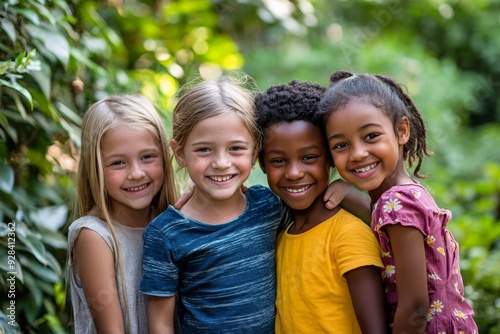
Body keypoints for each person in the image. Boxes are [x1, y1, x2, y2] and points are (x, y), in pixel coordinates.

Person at [140, 75, 369, 333]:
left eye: (235, 148)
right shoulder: (165, 234)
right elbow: (160, 323)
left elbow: (309, 200)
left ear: (255, 151)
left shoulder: (268, 206)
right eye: (204, 150)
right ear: (180, 153)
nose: (221, 163)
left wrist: (348, 192)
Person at [319, 70, 478, 334]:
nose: (357, 153)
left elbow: (415, 307)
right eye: (340, 145)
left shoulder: (397, 203)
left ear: (402, 131)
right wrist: (346, 193)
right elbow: (380, 216)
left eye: (371, 136)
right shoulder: (406, 195)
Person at [255, 79, 387, 334]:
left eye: (309, 158)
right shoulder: (279, 234)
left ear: (330, 157)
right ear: (262, 164)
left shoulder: (347, 235)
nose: (294, 173)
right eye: (278, 160)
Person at [68, 94, 178, 333]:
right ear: (94, 167)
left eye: (147, 157)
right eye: (118, 163)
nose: (136, 173)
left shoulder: (175, 223)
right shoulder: (95, 236)